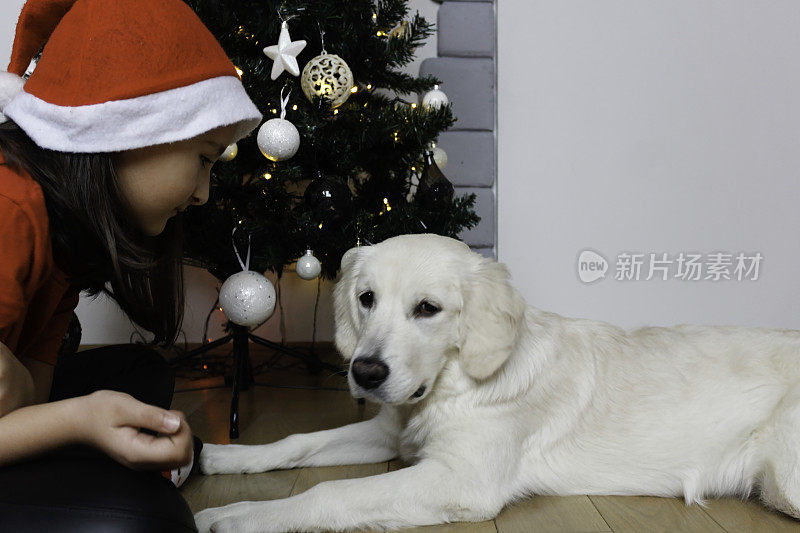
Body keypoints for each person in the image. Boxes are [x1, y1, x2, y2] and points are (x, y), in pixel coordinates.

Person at [0, 0, 262, 530]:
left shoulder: (66, 233)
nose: (203, 195)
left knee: (141, 372)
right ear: (130, 129)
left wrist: (49, 407)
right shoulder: (10, 206)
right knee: (147, 519)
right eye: (204, 160)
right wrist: (78, 419)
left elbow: (30, 389)